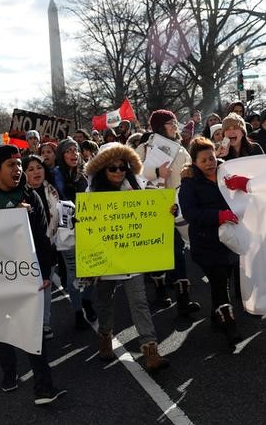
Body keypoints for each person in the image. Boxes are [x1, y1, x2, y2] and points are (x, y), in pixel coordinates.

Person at [0, 145, 67, 405]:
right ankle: (9, 372)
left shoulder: (30, 195)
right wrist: (10, 217)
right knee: (4, 331)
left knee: (33, 329)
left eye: (19, 164)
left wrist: (45, 273)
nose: (18, 169)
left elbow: (42, 238)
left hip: (27, 274)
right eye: (11, 165)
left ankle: (44, 387)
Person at [85, 143, 172, 370]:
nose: (117, 172)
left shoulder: (138, 187)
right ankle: (105, 337)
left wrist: (167, 210)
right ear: (103, 170)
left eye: (122, 167)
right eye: (112, 168)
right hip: (105, 259)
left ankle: (150, 349)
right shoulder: (91, 194)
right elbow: (85, 227)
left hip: (132, 257)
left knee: (139, 302)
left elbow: (155, 213)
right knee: (104, 303)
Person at [179, 137, 243, 346]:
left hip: (230, 239)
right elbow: (190, 213)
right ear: (195, 162)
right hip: (205, 242)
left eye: (212, 158)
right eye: (204, 160)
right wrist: (218, 216)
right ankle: (230, 326)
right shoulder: (189, 183)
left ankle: (217, 318)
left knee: (222, 280)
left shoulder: (226, 173)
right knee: (218, 282)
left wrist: (241, 185)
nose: (210, 163)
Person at [136, 109, 201, 314]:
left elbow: (190, 170)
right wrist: (156, 172)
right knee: (157, 249)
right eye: (170, 123)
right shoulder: (144, 148)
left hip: (177, 205)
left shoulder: (180, 149)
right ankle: (160, 290)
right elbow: (134, 173)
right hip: (152, 206)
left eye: (175, 123)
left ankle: (183, 297)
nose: (175, 126)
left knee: (178, 249)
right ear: (159, 127)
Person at [52, 138, 95, 329]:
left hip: (88, 230)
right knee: (73, 273)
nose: (74, 154)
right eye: (69, 151)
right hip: (66, 233)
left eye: (76, 150)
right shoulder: (54, 175)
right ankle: (78, 311)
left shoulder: (85, 173)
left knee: (90, 269)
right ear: (61, 155)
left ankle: (87, 301)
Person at [23, 155, 60, 340]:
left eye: (39, 167)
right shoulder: (22, 195)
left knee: (46, 285)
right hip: (28, 249)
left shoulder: (52, 191)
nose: (36, 171)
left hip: (49, 245)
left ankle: (44, 324)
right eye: (30, 169)